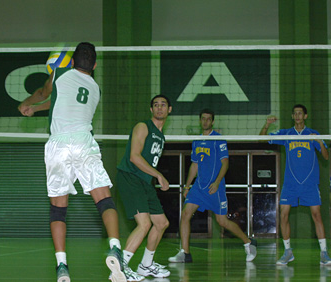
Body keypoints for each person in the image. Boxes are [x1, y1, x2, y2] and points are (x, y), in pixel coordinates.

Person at [18, 42, 126, 282]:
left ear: (72, 62)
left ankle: (62, 267)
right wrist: (36, 110)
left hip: (58, 144)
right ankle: (116, 248)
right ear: (95, 65)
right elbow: (59, 100)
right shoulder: (96, 89)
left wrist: (27, 103)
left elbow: (45, 93)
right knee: (105, 199)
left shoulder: (60, 73)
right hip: (83, 141)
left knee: (58, 209)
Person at [169, 108, 257, 263]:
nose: (205, 121)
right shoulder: (196, 140)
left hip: (214, 188)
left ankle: (248, 242)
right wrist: (187, 186)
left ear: (213, 121)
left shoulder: (218, 139)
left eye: (208, 119)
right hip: (198, 187)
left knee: (222, 221)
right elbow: (194, 165)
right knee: (185, 215)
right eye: (203, 118)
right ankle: (185, 253)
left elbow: (225, 163)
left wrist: (217, 182)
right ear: (200, 120)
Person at [260, 104, 331, 265]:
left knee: (317, 215)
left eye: (300, 113)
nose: (298, 116)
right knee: (283, 214)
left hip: (310, 184)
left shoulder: (312, 134)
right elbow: (262, 138)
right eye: (295, 113)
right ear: (292, 116)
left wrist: (318, 141)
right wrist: (267, 125)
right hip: (290, 184)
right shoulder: (286, 134)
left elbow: (326, 157)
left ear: (305, 116)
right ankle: (287, 252)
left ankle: (324, 253)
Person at [116, 94, 172, 280]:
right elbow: (134, 156)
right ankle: (120, 268)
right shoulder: (143, 126)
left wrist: (153, 177)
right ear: (151, 109)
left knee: (161, 223)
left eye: (163, 105)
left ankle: (146, 265)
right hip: (130, 177)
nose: (159, 108)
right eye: (155, 105)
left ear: (169, 110)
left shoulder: (161, 136)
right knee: (144, 224)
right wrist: (158, 175)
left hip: (145, 182)